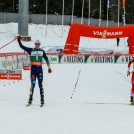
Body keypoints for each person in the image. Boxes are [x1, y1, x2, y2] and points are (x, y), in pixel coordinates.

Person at [17, 35, 52, 106]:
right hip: (33, 71)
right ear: (35, 44)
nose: (38, 45)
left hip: (39, 71)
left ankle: (42, 100)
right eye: (37, 44)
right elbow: (22, 46)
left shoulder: (42, 51)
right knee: (32, 85)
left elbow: (47, 59)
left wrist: (49, 68)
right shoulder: (31, 50)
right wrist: (18, 40)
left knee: (40, 85)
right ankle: (30, 100)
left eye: (39, 44)